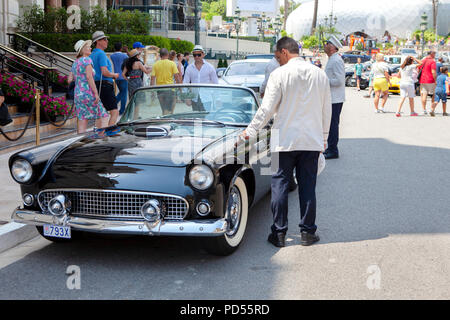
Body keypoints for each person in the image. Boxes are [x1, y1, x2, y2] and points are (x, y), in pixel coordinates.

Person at [238, 37, 332, 248]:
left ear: (284, 52)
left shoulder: (279, 74)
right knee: (308, 186)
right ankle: (308, 232)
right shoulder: (319, 74)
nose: (276, 59)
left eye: (277, 55)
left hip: (283, 138)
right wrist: (324, 138)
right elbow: (327, 110)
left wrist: (250, 130)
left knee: (279, 184)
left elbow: (267, 108)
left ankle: (279, 233)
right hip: (311, 139)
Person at [68, 40, 108, 133]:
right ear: (82, 50)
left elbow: (69, 79)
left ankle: (81, 142)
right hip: (88, 93)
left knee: (82, 120)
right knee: (104, 116)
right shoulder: (87, 60)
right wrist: (96, 93)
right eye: (88, 47)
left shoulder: (75, 62)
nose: (90, 48)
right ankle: (101, 138)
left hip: (78, 94)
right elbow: (89, 77)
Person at [90, 31, 120, 127]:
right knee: (114, 112)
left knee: (100, 114)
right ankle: (109, 132)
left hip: (95, 85)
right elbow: (104, 72)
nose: (107, 41)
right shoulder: (101, 54)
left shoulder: (91, 54)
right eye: (104, 39)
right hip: (105, 85)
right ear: (98, 41)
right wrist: (114, 75)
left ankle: (100, 134)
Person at [323, 35, 345, 160]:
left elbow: (339, 80)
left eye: (327, 43)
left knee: (332, 125)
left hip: (335, 98)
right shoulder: (332, 59)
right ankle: (330, 148)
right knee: (331, 124)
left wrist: (324, 79)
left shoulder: (336, 60)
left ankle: (333, 150)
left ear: (332, 47)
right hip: (332, 98)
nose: (325, 45)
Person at [183, 45, 218, 111]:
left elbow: (216, 83)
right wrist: (186, 98)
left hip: (207, 98)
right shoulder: (189, 68)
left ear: (203, 54)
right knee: (196, 119)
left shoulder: (210, 67)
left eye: (199, 55)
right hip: (194, 99)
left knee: (206, 119)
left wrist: (217, 98)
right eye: (194, 55)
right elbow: (185, 83)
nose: (196, 57)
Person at [151, 48, 181, 115]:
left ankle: (164, 121)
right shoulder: (172, 64)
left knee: (164, 109)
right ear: (168, 54)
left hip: (159, 89)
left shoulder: (155, 64)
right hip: (170, 88)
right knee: (168, 110)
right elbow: (177, 77)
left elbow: (152, 79)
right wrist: (180, 88)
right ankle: (166, 123)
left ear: (160, 55)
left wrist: (152, 92)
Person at [110, 42, 129, 115]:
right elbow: (130, 57)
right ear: (121, 48)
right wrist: (126, 51)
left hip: (116, 77)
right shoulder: (124, 56)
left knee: (122, 93)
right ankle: (117, 106)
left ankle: (120, 108)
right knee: (123, 93)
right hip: (123, 77)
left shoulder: (112, 56)